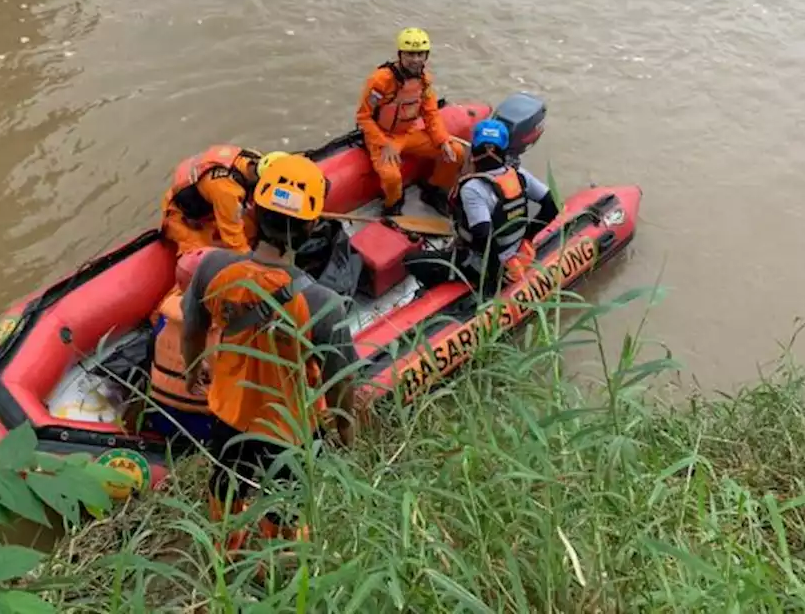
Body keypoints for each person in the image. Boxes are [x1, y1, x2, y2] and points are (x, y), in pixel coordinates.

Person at [180, 153, 360, 552]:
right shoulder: (322, 301)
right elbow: (341, 383)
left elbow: (192, 329)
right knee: (286, 502)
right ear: (312, 226)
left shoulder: (212, 268)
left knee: (226, 480)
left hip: (229, 411)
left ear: (253, 213)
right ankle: (274, 560)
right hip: (290, 429)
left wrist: (192, 370)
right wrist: (346, 436)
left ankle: (227, 546)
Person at [403, 118, 558, 298]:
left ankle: (430, 295)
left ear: (474, 152)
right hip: (515, 251)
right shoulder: (520, 175)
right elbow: (551, 206)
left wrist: (494, 278)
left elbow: (483, 236)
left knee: (411, 261)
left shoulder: (473, 189)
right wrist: (527, 237)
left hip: (483, 263)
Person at [356, 27, 466, 217]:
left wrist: (442, 141)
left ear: (426, 56)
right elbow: (363, 117)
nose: (415, 60)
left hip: (408, 134)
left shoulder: (424, 81)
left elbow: (431, 113)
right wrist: (385, 143)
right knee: (391, 177)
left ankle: (433, 190)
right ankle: (393, 205)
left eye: (420, 54)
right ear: (400, 54)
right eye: (410, 54)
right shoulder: (380, 80)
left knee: (456, 151)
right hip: (382, 137)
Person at [144, 246, 218, 445]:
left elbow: (150, 357)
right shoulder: (225, 329)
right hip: (205, 425)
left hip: (161, 417)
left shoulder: (165, 318)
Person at [159, 144, 266, 256]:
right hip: (183, 220)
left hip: (210, 206)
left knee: (252, 230)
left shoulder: (253, 160)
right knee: (197, 260)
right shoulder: (228, 191)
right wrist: (251, 262)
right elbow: (234, 241)